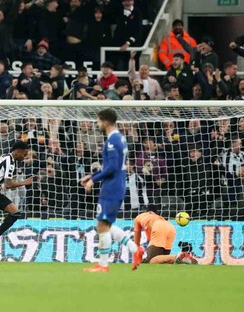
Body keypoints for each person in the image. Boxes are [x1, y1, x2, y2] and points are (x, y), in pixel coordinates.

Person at [82, 109, 139, 273]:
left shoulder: (113, 141)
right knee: (105, 224)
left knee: (102, 225)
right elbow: (112, 166)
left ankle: (103, 264)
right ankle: (135, 250)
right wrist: (93, 175)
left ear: (106, 122)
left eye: (98, 121)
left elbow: (113, 167)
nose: (97, 124)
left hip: (112, 188)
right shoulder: (120, 137)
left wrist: (93, 179)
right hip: (116, 186)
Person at [133, 206, 198, 267]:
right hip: (170, 227)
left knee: (152, 260)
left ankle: (179, 256)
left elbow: (137, 240)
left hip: (159, 226)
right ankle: (184, 259)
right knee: (163, 260)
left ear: (146, 211)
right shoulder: (158, 217)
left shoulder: (139, 217)